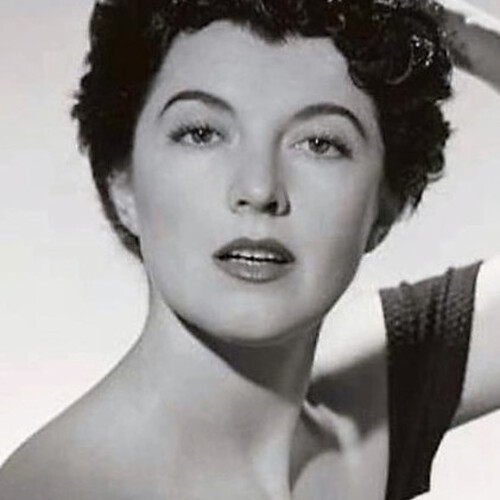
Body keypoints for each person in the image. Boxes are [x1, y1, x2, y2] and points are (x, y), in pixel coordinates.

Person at [0, 1, 499, 499]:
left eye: (320, 143)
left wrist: (438, 26)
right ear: (123, 185)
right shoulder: (58, 489)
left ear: (387, 205)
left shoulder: (372, 397)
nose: (259, 189)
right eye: (202, 133)